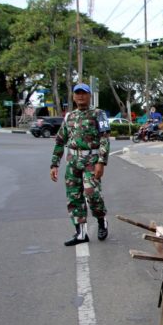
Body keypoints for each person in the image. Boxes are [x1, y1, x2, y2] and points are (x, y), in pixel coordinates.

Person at [50, 83, 111, 246]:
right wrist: (54, 164)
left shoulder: (99, 114)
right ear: (73, 96)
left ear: (89, 96)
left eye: (84, 93)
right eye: (77, 93)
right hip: (73, 162)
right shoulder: (69, 116)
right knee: (74, 197)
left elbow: (105, 138)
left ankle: (101, 220)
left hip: (91, 160)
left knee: (92, 194)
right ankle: (81, 234)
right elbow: (60, 140)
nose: (80, 96)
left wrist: (101, 161)